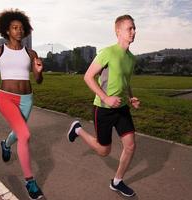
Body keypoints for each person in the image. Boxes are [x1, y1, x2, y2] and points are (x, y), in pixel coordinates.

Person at [67, 14, 140, 197]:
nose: (133, 31)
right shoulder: (108, 52)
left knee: (130, 145)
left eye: (134, 28)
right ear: (118, 31)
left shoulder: (131, 58)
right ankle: (77, 130)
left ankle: (117, 181)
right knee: (104, 151)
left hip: (122, 108)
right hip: (103, 109)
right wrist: (106, 98)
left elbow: (125, 82)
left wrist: (131, 98)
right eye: (129, 28)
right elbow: (88, 77)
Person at [0, 9, 44, 199]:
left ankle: (6, 144)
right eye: (14, 28)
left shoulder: (31, 53)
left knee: (19, 131)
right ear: (7, 31)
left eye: (21, 28)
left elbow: (38, 80)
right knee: (24, 134)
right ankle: (30, 182)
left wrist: (39, 71)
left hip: (27, 99)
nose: (19, 31)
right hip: (6, 98)